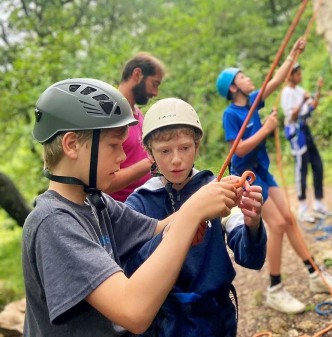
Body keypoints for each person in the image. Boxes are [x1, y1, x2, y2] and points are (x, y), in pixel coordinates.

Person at [22, 78, 240, 337]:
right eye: (114, 145)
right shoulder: (53, 223)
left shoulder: (96, 204)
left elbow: (159, 229)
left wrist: (209, 200)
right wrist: (193, 211)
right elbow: (133, 312)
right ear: (71, 145)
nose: (124, 157)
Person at [217, 37, 332, 314]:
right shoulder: (231, 114)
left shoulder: (254, 100)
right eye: (242, 76)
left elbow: (274, 81)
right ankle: (274, 289)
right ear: (233, 88)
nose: (248, 77)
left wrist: (293, 54)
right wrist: (266, 129)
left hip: (263, 171)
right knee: (276, 225)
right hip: (247, 176)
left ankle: (314, 275)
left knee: (288, 218)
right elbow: (237, 148)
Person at [124, 98, 267, 337]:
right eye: (165, 151)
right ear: (150, 153)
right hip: (164, 323)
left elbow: (250, 258)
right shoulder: (139, 202)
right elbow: (132, 271)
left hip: (216, 317)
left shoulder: (216, 190)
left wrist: (252, 225)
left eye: (185, 147)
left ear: (197, 146)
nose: (176, 159)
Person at [105, 52, 165, 202]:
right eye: (154, 84)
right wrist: (152, 161)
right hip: (120, 213)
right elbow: (106, 183)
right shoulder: (111, 115)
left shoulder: (138, 115)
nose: (155, 93)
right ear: (137, 74)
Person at [281, 63, 332, 223]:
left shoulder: (299, 90)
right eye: (297, 74)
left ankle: (318, 203)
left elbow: (313, 106)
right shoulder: (287, 93)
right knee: (301, 169)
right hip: (296, 133)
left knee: (317, 165)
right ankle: (303, 208)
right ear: (290, 75)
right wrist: (302, 101)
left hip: (305, 129)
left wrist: (318, 90)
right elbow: (291, 117)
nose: (300, 77)